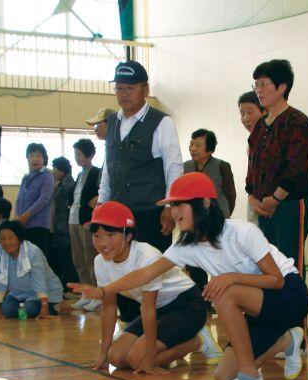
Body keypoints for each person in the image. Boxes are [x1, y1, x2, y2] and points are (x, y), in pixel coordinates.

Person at [70, 173, 308, 380]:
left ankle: (250, 378)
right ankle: (287, 342)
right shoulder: (186, 245)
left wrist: (231, 277)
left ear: (204, 203)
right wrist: (103, 291)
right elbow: (145, 274)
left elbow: (276, 280)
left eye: (180, 205)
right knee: (223, 377)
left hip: (288, 295)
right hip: (257, 310)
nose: (173, 213)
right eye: (172, 206)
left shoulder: (241, 231)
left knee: (224, 293)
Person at [68, 200, 222, 374]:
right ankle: (170, 341)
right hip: (159, 310)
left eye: (110, 235)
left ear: (128, 236)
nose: (103, 243)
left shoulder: (146, 256)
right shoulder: (100, 261)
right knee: (116, 357)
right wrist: (103, 353)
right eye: (96, 236)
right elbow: (109, 307)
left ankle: (199, 341)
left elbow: (148, 308)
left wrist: (149, 358)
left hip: (186, 306)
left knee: (137, 360)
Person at [98, 60, 183, 253]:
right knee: (120, 267)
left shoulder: (161, 122)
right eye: (119, 88)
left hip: (150, 214)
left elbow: (174, 167)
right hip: (117, 213)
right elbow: (108, 167)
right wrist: (102, 202)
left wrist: (170, 206)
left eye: (130, 88)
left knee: (151, 271)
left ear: (145, 90)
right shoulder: (111, 122)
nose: (124, 94)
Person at [246, 59, 308, 278]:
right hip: (262, 207)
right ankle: (272, 313)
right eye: (256, 84)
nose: (258, 90)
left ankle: (295, 313)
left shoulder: (297, 121)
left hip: (290, 204)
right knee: (266, 266)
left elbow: (296, 167)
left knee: (288, 263)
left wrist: (275, 199)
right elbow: (253, 165)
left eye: (264, 84)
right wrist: (252, 197)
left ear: (282, 87)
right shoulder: (260, 125)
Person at [184, 128, 236, 297]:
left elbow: (230, 194)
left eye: (198, 145)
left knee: (218, 258)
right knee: (194, 260)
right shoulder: (185, 167)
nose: (193, 148)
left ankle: (219, 296)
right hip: (193, 221)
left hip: (216, 220)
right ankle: (202, 297)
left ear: (210, 149)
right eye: (191, 144)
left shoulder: (222, 166)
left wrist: (223, 215)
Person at [0, 220, 63, 319]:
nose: (7, 242)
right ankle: (25, 307)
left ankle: (51, 306)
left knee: (29, 309)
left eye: (11, 238)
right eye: (2, 239)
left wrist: (44, 307)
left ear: (19, 239)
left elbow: (39, 280)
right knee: (7, 310)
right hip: (18, 293)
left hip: (44, 292)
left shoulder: (32, 252)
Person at [68, 139, 101, 311]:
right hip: (72, 219)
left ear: (89, 154)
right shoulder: (79, 174)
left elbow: (100, 195)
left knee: (90, 258)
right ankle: (86, 293)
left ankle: (96, 294)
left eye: (79, 154)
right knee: (78, 259)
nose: (77, 158)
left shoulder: (96, 172)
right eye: (75, 155)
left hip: (87, 221)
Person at [14, 143, 54, 254]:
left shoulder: (47, 175)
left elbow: (44, 198)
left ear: (44, 159)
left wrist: (27, 215)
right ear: (27, 158)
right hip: (23, 225)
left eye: (38, 155)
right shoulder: (26, 178)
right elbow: (19, 199)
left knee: (37, 259)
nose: (34, 159)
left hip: (39, 225)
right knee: (23, 258)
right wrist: (17, 216)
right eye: (31, 155)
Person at [49, 156, 77, 291]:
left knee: (67, 259)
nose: (53, 171)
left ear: (61, 169)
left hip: (65, 226)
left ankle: (69, 287)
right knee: (61, 258)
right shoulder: (60, 183)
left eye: (55, 168)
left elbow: (61, 200)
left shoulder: (68, 183)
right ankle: (63, 285)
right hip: (59, 226)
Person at [238, 91, 265, 225]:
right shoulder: (251, 143)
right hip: (255, 201)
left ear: (264, 111)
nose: (245, 118)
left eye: (250, 112)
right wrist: (251, 196)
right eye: (242, 114)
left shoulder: (272, 138)